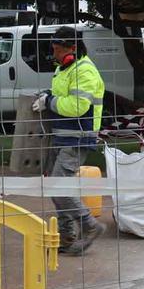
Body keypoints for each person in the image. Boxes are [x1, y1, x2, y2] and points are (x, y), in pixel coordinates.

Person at [32, 26, 106, 256]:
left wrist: (50, 101)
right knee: (56, 187)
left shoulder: (84, 71)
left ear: (71, 49)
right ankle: (67, 236)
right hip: (63, 136)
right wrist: (47, 95)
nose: (53, 54)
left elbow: (76, 106)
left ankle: (90, 226)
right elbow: (64, 96)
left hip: (77, 138)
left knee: (58, 185)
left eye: (57, 49)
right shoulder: (65, 69)